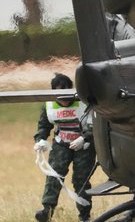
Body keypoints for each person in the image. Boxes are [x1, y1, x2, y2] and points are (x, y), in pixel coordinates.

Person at [33, 73, 94, 222]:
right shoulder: (49, 106)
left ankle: (84, 215)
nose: (64, 99)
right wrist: (40, 140)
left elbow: (96, 125)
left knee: (81, 180)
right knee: (54, 176)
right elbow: (44, 126)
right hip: (61, 145)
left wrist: (84, 138)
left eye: (66, 93)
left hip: (84, 146)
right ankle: (47, 211)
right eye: (59, 93)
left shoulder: (84, 103)